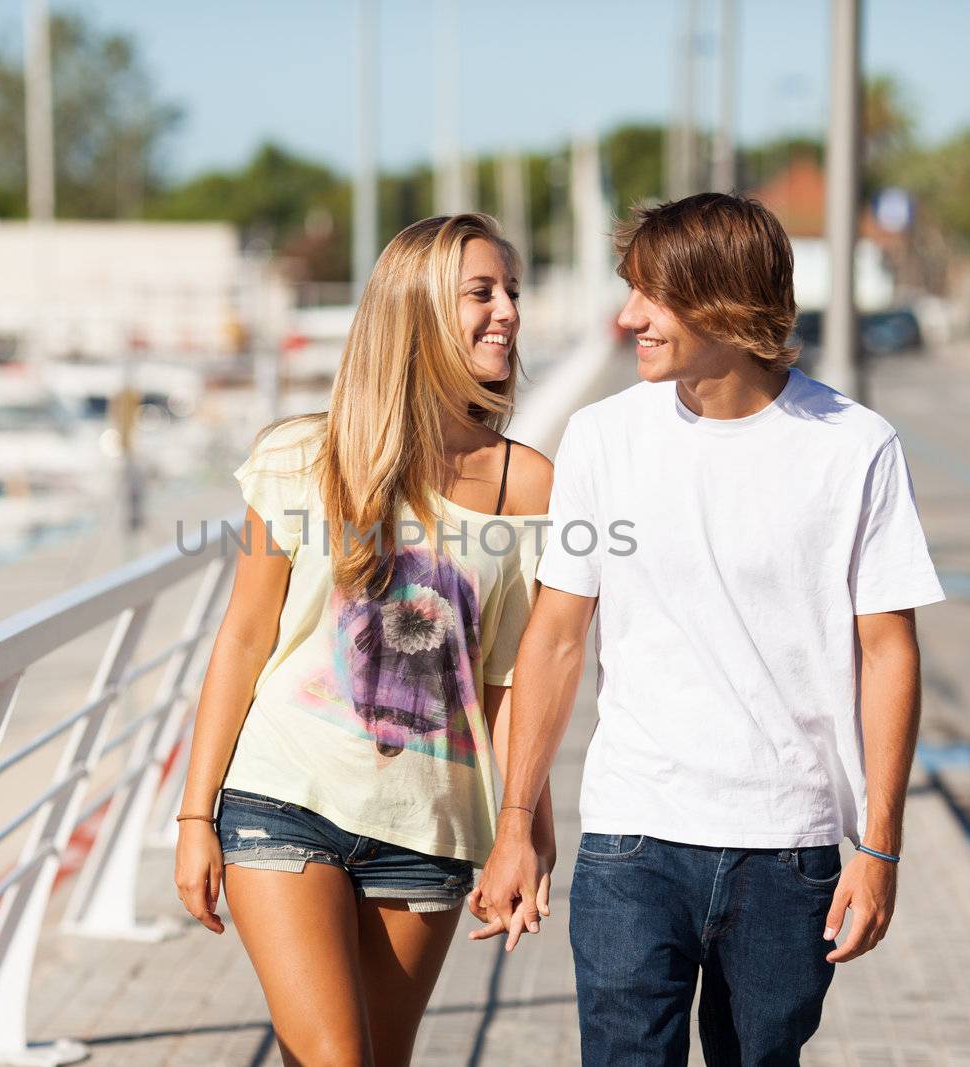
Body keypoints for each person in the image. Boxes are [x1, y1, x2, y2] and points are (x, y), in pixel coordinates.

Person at [474, 194, 945, 1066]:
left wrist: (880, 846)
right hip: (631, 838)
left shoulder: (855, 446)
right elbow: (556, 637)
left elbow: (888, 651)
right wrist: (514, 825)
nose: (627, 318)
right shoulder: (602, 438)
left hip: (789, 848)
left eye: (651, 297)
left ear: (722, 299)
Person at [174, 213, 557, 1066]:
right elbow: (242, 641)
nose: (508, 312)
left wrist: (524, 826)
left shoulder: (525, 483)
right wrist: (195, 813)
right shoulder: (298, 456)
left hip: (429, 824)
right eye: (481, 292)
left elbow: (504, 680)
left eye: (513, 292)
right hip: (282, 797)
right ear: (417, 311)